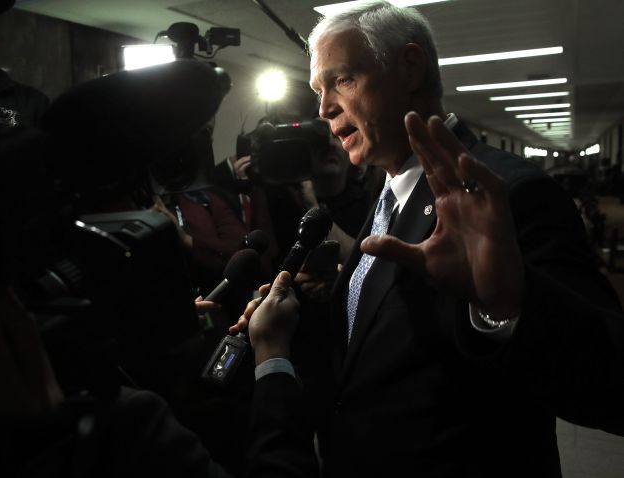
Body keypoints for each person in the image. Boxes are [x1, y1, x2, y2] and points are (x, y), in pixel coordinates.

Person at [230, 2, 624, 477]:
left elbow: (610, 383)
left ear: (410, 67)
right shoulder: (388, 188)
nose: (324, 108)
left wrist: (507, 304)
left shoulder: (509, 194)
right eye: (318, 90)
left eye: (342, 80)